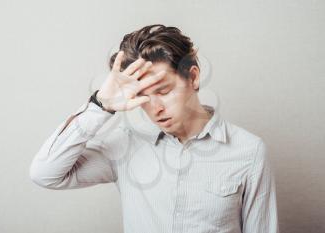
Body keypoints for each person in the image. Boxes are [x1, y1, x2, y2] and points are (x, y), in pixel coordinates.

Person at [29, 24, 279, 233]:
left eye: (164, 91)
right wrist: (100, 106)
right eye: (143, 96)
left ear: (193, 77)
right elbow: (45, 173)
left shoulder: (249, 151)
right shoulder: (125, 145)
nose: (155, 108)